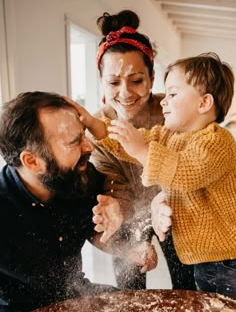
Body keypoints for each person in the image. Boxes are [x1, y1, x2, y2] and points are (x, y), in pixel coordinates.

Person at [0, 91, 157, 312]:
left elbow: (92, 231)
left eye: (83, 135)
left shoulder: (79, 176)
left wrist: (127, 248)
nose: (89, 147)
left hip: (77, 297)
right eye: (74, 142)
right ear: (32, 161)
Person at [82, 52, 236, 296]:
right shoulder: (170, 135)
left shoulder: (217, 141)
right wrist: (94, 125)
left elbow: (187, 172)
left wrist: (143, 151)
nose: (165, 100)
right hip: (202, 257)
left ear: (204, 103)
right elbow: (128, 142)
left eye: (173, 94)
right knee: (209, 311)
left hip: (228, 259)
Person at [88, 9, 196, 290]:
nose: (125, 93)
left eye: (136, 81)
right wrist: (115, 209)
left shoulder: (173, 113)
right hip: (127, 216)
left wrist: (162, 201)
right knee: (130, 292)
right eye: (113, 82)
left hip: (175, 209)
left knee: (186, 286)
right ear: (101, 83)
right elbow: (117, 188)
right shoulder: (99, 129)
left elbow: (192, 165)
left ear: (151, 78)